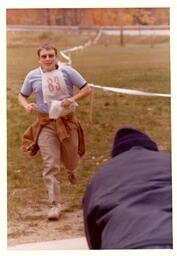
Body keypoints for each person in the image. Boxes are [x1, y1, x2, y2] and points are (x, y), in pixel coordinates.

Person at [18, 43, 92, 220]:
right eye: (44, 56)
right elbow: (21, 95)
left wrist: (72, 99)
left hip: (67, 121)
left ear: (56, 57)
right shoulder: (33, 76)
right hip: (45, 123)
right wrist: (27, 105)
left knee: (71, 158)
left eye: (51, 55)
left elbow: (87, 89)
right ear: (39, 59)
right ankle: (55, 205)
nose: (48, 59)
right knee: (50, 163)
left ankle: (72, 168)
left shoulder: (68, 71)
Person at [83, 128, 172, 249]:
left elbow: (93, 237)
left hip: (124, 243)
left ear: (116, 155)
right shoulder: (169, 161)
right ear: (152, 149)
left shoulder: (100, 176)